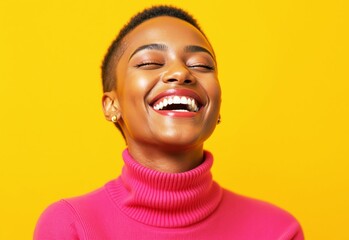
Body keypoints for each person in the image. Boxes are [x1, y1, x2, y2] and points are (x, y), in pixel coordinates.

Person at [34, 5, 304, 240]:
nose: (180, 72)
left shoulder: (278, 230)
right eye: (150, 62)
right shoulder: (70, 226)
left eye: (201, 65)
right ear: (111, 104)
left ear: (217, 105)